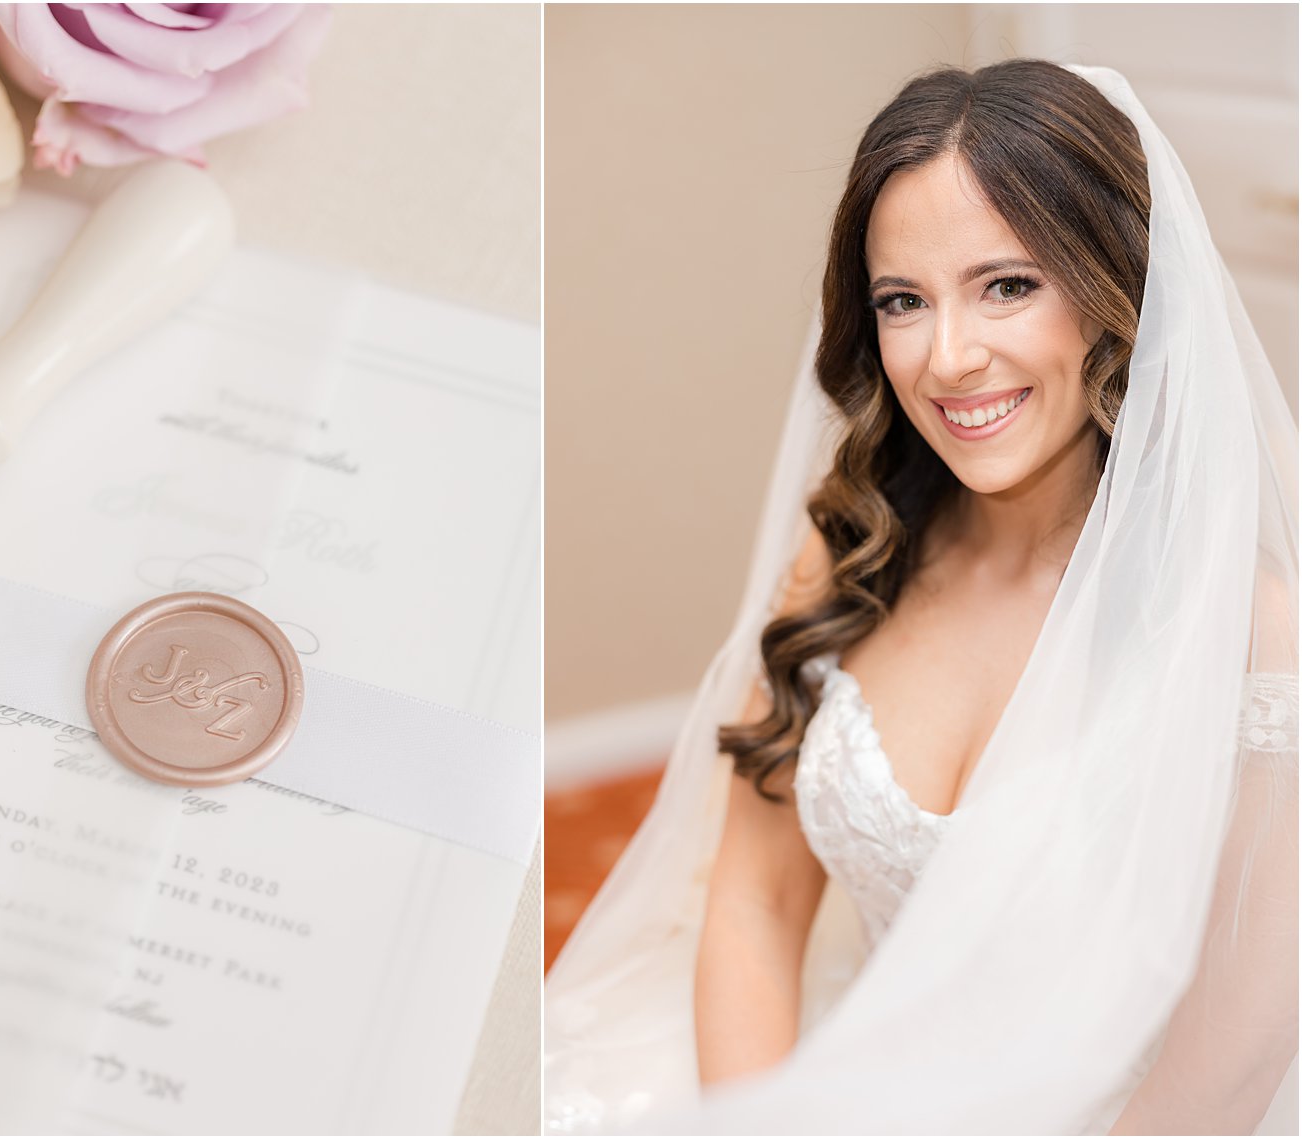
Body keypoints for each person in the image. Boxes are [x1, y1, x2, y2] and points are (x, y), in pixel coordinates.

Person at [544, 60, 1297, 1136]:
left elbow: (1231, 1059)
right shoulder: (847, 547)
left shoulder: (1247, 630)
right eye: (902, 300)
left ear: (1113, 292)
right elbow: (755, 904)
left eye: (1006, 285)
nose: (946, 358)